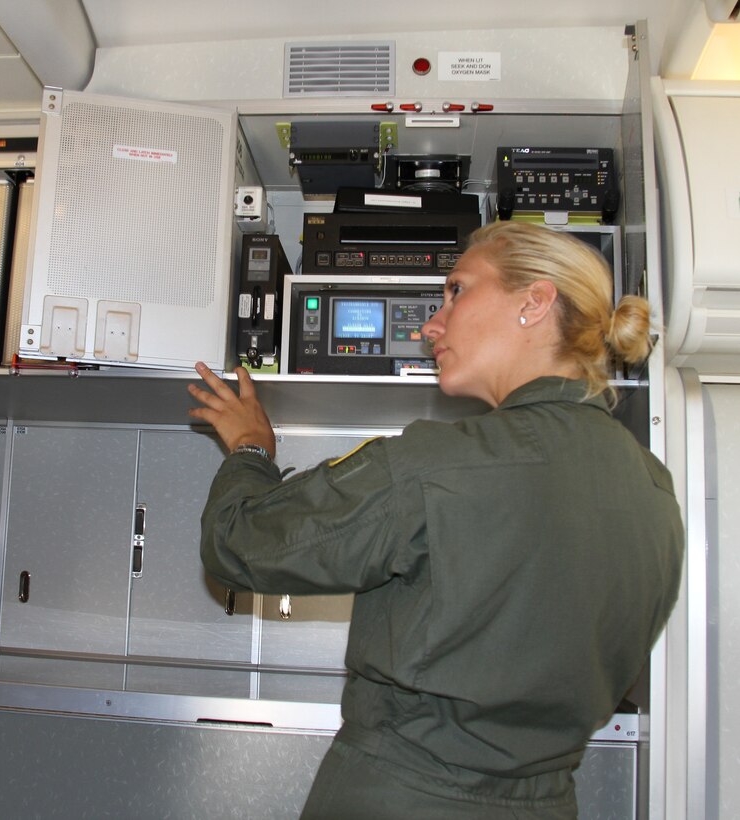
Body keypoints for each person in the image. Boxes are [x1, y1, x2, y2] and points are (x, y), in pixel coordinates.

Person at [187, 220, 684, 818]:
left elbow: (237, 543)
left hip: (401, 797)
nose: (430, 325)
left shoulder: (437, 464)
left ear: (535, 302)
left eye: (457, 291)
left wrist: (249, 449)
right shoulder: (654, 492)